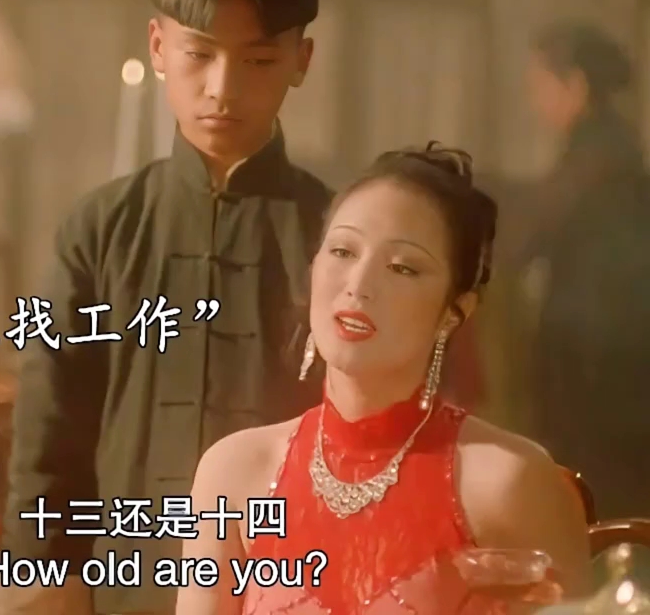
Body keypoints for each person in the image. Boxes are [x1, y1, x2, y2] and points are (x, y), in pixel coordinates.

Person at [0, 0, 332, 615]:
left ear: (301, 60)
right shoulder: (102, 229)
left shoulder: (335, 237)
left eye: (258, 61)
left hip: (292, 588)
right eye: (199, 54)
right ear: (157, 46)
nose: (222, 89)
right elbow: (48, 438)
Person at [179, 144, 593, 615]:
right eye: (342, 251)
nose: (358, 284)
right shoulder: (233, 475)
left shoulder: (506, 482)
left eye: (402, 267)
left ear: (454, 311)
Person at [512, 21, 650, 520]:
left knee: (599, 496)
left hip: (598, 359)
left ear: (576, 85)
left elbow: (528, 234)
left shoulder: (599, 157)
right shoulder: (606, 148)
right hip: (604, 354)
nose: (536, 102)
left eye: (542, 85)